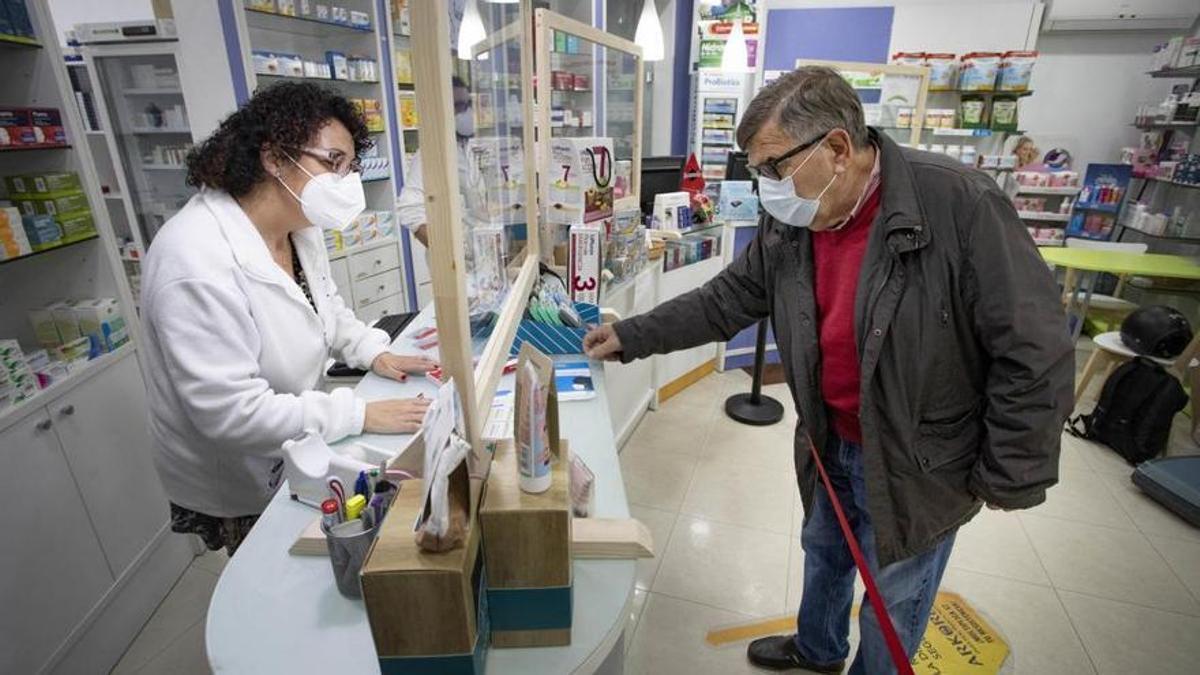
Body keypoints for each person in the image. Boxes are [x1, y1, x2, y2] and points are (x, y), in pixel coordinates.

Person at [584, 66, 1073, 674]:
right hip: (829, 438)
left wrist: (1012, 472)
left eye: (773, 166)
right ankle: (818, 651)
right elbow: (725, 300)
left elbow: (1034, 345)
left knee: (893, 599)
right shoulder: (794, 220)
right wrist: (630, 335)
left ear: (837, 149)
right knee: (824, 551)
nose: (765, 185)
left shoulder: (960, 203)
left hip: (918, 459)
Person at [141, 82, 436, 555]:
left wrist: (374, 350)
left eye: (350, 167)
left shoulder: (297, 227)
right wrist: (359, 413)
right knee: (271, 570)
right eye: (333, 163)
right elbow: (231, 413)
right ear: (274, 158)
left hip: (293, 433)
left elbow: (327, 308)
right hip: (237, 469)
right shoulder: (194, 260)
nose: (344, 181)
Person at [397, 76, 476, 247]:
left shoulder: (468, 148)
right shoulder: (431, 153)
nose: (465, 112)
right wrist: (447, 254)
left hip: (481, 255)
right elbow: (409, 208)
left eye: (467, 104)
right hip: (458, 263)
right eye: (458, 106)